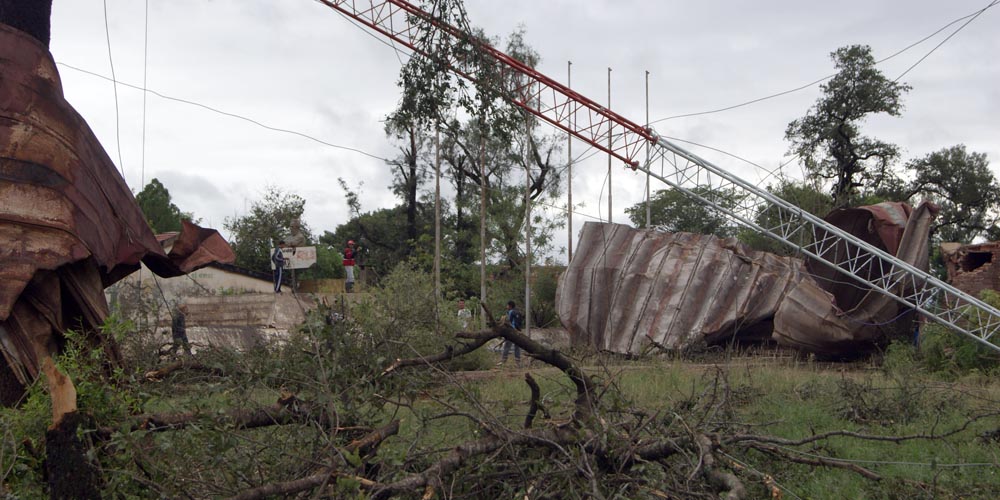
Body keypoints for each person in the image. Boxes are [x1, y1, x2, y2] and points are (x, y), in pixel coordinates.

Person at [499, 300, 523, 366]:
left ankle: (503, 361)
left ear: (510, 306)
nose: (506, 307)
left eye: (507, 305)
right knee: (517, 346)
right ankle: (518, 362)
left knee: (507, 346)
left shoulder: (511, 312)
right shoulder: (518, 312)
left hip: (512, 331)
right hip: (518, 331)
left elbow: (509, 321)